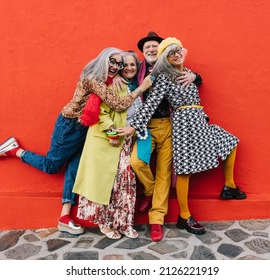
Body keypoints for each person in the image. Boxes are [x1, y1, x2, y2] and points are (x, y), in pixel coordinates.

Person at [0, 47, 152, 235]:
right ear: (103, 60)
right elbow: (117, 103)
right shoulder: (93, 79)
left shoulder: (107, 79)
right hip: (70, 127)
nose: (116, 66)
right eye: (112, 61)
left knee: (74, 168)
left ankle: (64, 216)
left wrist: (117, 76)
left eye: (119, 64)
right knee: (52, 165)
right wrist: (142, 88)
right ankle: (15, 150)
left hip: (85, 129)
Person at [117, 37, 246, 241]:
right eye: (171, 53)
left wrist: (194, 76)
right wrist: (134, 126)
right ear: (163, 57)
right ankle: (183, 214)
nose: (176, 55)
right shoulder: (157, 75)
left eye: (178, 51)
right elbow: (150, 103)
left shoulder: (187, 73)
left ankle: (229, 186)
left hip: (195, 122)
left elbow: (197, 80)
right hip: (178, 125)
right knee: (175, 168)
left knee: (229, 141)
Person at [114, 31, 203, 242]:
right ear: (143, 53)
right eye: (147, 48)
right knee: (137, 161)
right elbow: (125, 72)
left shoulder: (173, 69)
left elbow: (193, 79)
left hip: (171, 127)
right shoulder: (138, 71)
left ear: (162, 50)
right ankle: (149, 190)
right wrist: (117, 75)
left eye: (155, 46)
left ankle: (156, 220)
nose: (151, 49)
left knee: (164, 173)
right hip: (147, 127)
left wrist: (195, 76)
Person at [73, 51, 149, 239]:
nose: (129, 68)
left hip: (129, 141)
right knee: (106, 183)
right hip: (109, 140)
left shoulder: (140, 85)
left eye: (133, 65)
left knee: (126, 183)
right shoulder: (114, 85)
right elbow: (100, 112)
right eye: (126, 65)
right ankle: (105, 222)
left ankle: (124, 223)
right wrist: (113, 131)